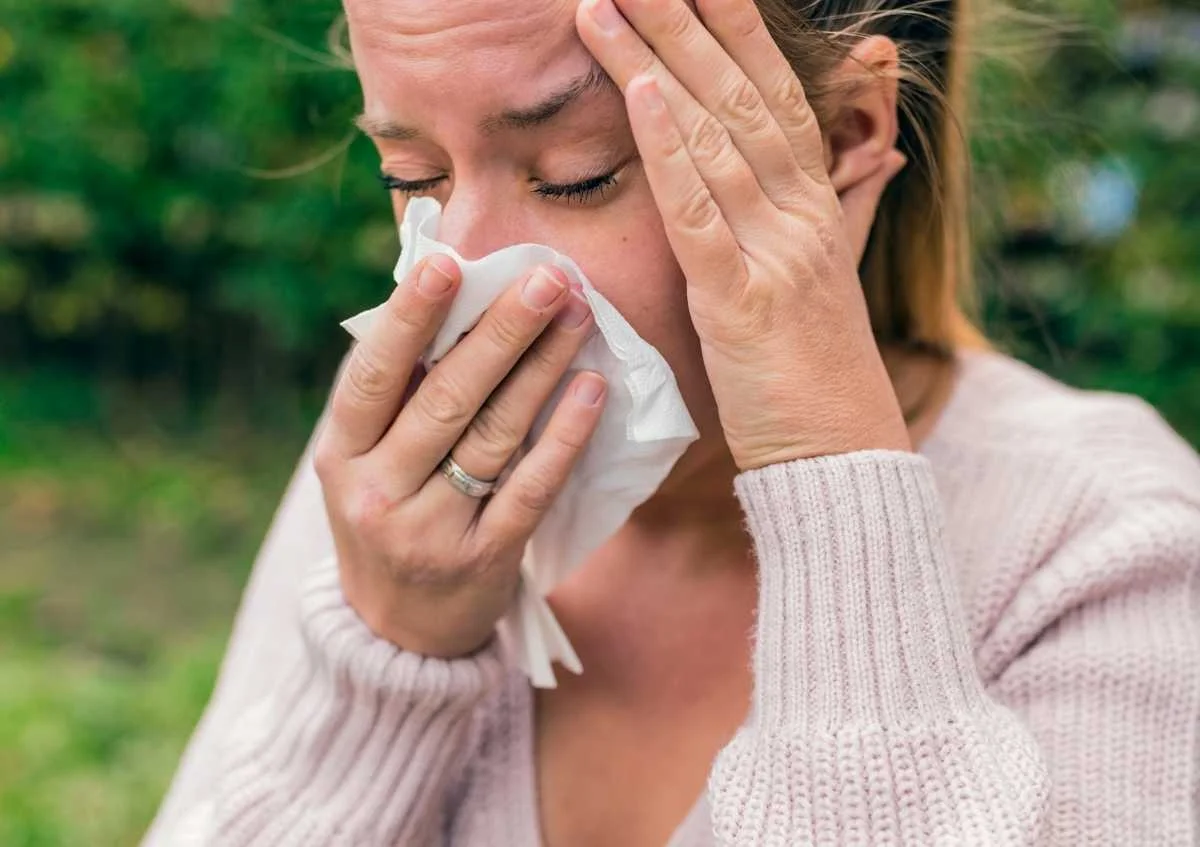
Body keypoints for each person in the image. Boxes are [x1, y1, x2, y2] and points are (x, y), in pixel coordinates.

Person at [145, 0, 1200, 844]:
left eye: (576, 174)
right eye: (410, 176)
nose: (452, 275)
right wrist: (389, 665)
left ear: (840, 136)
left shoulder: (1111, 548)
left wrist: (830, 472)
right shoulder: (408, 463)